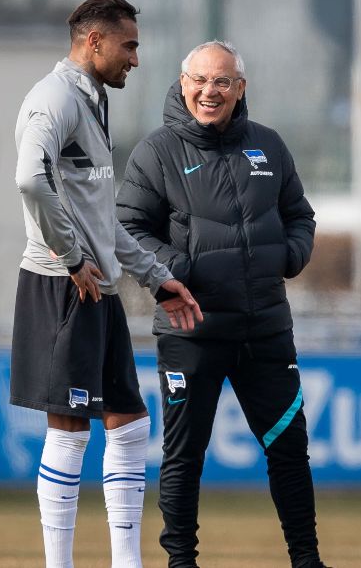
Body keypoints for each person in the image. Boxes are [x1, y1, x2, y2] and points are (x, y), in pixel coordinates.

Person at [116, 41, 329, 568]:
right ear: (183, 82)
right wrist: (178, 270)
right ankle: (181, 562)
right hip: (191, 331)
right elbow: (128, 228)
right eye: (200, 80)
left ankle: (307, 560)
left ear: (240, 88)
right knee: (184, 455)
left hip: (265, 330)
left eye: (222, 81)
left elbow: (300, 215)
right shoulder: (156, 152)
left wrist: (289, 255)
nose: (209, 91)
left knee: (289, 450)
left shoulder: (269, 146)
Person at [10, 0, 203, 568]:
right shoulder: (54, 98)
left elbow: (99, 218)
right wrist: (71, 257)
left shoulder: (90, 100)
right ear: (94, 41)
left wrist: (156, 277)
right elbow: (29, 178)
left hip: (99, 288)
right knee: (70, 431)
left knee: (130, 425)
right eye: (129, 45)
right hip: (63, 285)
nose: (136, 59)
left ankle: (127, 562)